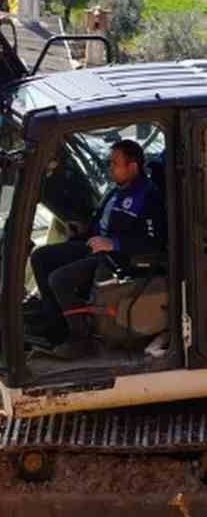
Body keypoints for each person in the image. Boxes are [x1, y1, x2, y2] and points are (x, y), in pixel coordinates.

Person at [28, 138, 160, 358]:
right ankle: (56, 326)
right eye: (109, 163)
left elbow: (153, 242)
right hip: (95, 245)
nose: (110, 168)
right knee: (41, 257)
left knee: (59, 279)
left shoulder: (148, 197)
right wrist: (84, 231)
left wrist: (113, 244)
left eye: (115, 163)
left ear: (133, 167)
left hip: (118, 258)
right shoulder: (115, 191)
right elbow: (101, 223)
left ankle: (80, 340)